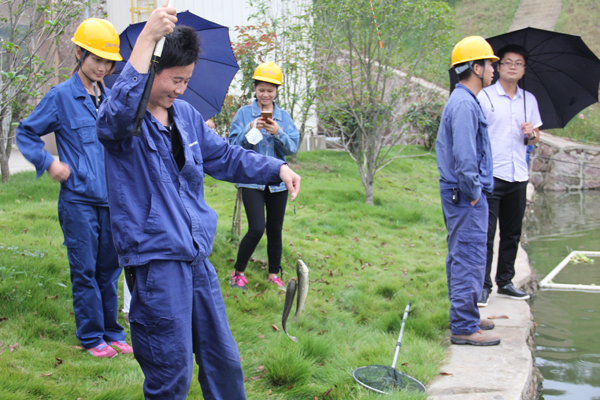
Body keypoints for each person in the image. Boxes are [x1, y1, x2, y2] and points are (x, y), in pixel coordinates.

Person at [96, 5, 301, 399]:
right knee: (171, 373)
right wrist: (147, 38)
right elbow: (114, 115)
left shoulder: (186, 116)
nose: (180, 89)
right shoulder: (126, 123)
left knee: (224, 363)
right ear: (152, 69)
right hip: (156, 263)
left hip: (196, 258)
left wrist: (276, 168)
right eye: (175, 79)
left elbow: (224, 157)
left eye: (187, 80)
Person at [16, 18, 132, 358]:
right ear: (79, 53)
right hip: (78, 201)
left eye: (108, 61)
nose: (102, 67)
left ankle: (112, 331)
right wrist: (48, 163)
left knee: (108, 271)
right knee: (85, 271)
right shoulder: (61, 97)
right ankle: (92, 336)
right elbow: (26, 132)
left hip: (111, 201)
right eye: (96, 58)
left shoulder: (111, 99)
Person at [436, 36, 501, 346]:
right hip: (465, 195)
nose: (494, 69)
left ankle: (467, 314)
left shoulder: (465, 100)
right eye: (490, 63)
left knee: (465, 255)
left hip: (463, 194)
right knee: (469, 257)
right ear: (476, 67)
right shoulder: (463, 103)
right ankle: (464, 325)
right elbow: (464, 157)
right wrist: (474, 193)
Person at [477, 44, 541, 307]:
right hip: (492, 175)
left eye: (519, 63)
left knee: (512, 233)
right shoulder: (485, 97)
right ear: (499, 66)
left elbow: (535, 138)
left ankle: (505, 282)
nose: (513, 67)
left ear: (524, 69)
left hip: (518, 176)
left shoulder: (529, 100)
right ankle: (482, 286)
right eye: (508, 62)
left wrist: (531, 134)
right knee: (486, 234)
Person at [228, 61, 300, 291]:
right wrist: (251, 128)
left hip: (278, 183)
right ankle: (238, 273)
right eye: (261, 90)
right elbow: (232, 146)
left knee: (275, 230)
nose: (265, 94)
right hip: (251, 180)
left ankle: (273, 274)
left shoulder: (284, 118)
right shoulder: (244, 114)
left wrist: (278, 133)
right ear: (255, 89)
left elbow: (292, 148)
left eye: (270, 90)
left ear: (277, 90)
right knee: (257, 228)